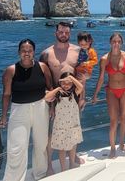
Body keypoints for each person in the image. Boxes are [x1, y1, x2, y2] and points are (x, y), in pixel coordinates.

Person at [1, 38, 53, 181]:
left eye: (29, 51)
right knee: (16, 149)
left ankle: (40, 175)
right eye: (24, 51)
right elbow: (6, 94)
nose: (26, 53)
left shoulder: (42, 67)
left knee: (41, 145)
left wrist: (52, 108)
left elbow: (50, 88)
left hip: (41, 108)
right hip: (19, 111)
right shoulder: (11, 70)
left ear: (34, 52)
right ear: (19, 52)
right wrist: (4, 116)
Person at [39, 21, 84, 175]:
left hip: (73, 98)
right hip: (54, 99)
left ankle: (73, 156)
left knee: (72, 127)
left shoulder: (78, 51)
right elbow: (43, 79)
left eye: (66, 32)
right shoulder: (46, 53)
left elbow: (82, 75)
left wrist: (82, 98)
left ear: (69, 34)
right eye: (60, 32)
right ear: (55, 33)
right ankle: (50, 164)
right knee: (52, 133)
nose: (63, 35)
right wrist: (50, 103)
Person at [92, 32, 125, 158]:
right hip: (111, 91)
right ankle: (112, 148)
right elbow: (100, 78)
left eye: (118, 42)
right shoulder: (105, 59)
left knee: (124, 118)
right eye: (114, 41)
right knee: (113, 120)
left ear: (121, 43)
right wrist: (95, 95)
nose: (116, 44)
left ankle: (121, 143)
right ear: (110, 43)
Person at [45, 72, 84, 172]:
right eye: (64, 83)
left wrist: (71, 77)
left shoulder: (75, 93)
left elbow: (81, 87)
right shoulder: (57, 94)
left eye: (69, 83)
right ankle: (63, 169)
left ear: (72, 83)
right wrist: (58, 88)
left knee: (73, 144)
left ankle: (71, 163)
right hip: (60, 126)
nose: (66, 85)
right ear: (60, 82)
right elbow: (46, 97)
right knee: (62, 149)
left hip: (73, 124)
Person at [75, 31, 98, 109]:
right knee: (79, 85)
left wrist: (85, 63)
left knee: (82, 85)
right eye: (81, 44)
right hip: (79, 70)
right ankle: (79, 99)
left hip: (85, 71)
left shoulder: (91, 51)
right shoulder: (78, 50)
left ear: (90, 42)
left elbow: (95, 61)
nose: (84, 46)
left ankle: (82, 100)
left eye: (86, 44)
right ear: (78, 43)